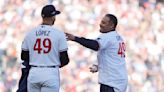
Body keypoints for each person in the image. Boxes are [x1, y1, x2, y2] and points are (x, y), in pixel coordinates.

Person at [66, 14, 128, 92]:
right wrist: (99, 66)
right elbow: (113, 59)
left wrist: (75, 38)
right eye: (101, 22)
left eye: (104, 23)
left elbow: (95, 45)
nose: (100, 24)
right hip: (119, 81)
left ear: (112, 26)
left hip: (111, 82)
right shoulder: (118, 38)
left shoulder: (108, 36)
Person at [19, 5, 69, 92]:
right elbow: (65, 59)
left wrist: (37, 60)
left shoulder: (30, 33)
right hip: (50, 72)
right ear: (53, 17)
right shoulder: (59, 34)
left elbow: (24, 56)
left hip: (34, 72)